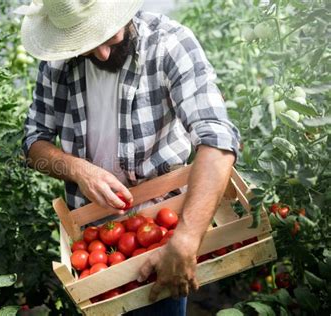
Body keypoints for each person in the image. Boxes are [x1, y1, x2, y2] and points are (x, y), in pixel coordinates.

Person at [17, 0, 240, 314]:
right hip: (93, 241)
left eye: (107, 37)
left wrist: (186, 239)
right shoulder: (58, 62)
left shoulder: (169, 45)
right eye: (87, 45)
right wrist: (78, 169)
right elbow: (32, 145)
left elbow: (217, 140)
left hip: (161, 235)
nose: (102, 54)